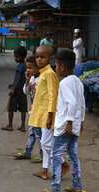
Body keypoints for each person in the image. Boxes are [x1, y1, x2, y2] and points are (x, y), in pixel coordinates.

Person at [38, 49, 87, 192]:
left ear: (62, 67)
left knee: (56, 155)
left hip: (65, 126)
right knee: (73, 155)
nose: (55, 68)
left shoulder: (64, 83)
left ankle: (55, 189)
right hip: (74, 125)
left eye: (56, 65)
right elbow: (82, 104)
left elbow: (72, 103)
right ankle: (77, 186)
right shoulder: (77, 81)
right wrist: (81, 121)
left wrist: (69, 123)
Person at [29, 46, 69, 180]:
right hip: (41, 115)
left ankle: (63, 163)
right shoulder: (43, 73)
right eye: (37, 57)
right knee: (44, 143)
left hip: (48, 115)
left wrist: (50, 116)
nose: (39, 59)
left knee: (46, 143)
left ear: (50, 58)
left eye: (43, 57)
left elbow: (53, 96)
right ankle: (45, 171)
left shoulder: (50, 74)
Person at [14, 55, 42, 162]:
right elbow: (25, 91)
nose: (28, 70)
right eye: (27, 68)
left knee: (39, 134)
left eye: (30, 67)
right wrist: (27, 80)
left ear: (38, 67)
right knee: (31, 132)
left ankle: (42, 155)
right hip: (33, 111)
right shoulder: (32, 79)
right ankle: (28, 151)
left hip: (39, 112)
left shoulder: (42, 79)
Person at [1, 46, 27, 132]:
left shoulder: (20, 66)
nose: (15, 58)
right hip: (22, 89)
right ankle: (23, 125)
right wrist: (12, 84)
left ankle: (10, 125)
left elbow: (18, 78)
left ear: (20, 56)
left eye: (16, 56)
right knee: (23, 107)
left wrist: (13, 88)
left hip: (17, 90)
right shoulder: (24, 65)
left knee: (11, 107)